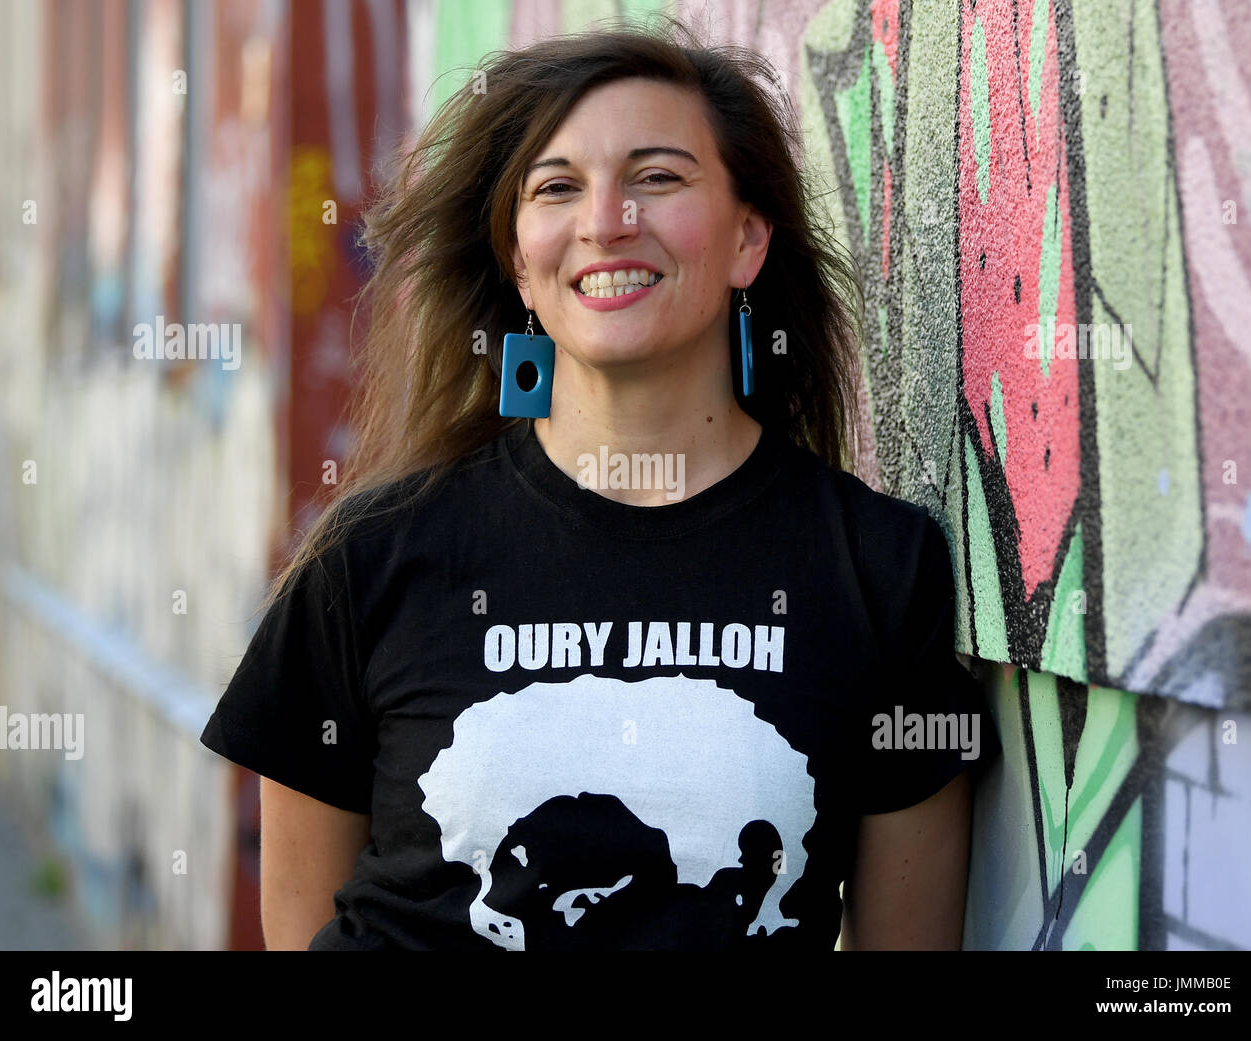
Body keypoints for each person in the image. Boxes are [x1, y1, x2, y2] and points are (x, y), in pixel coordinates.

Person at [200, 16, 997, 951]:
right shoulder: (368, 555)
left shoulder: (881, 569)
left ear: (747, 239)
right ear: (519, 263)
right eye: (557, 187)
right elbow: (301, 924)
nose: (606, 220)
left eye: (657, 177)